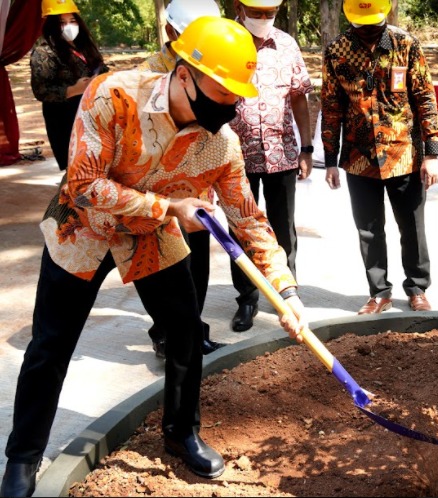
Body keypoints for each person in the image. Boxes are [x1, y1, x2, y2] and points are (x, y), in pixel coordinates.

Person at [0, 17, 307, 498]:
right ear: (185, 74)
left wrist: (286, 291)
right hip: (83, 228)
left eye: (236, 95)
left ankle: (181, 432)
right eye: (221, 90)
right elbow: (83, 186)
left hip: (149, 235)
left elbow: (249, 219)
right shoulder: (113, 96)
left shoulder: (220, 144)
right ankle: (22, 458)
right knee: (50, 346)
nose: (229, 105)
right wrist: (169, 207)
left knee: (185, 332)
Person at [321, 0, 438, 315]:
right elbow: (331, 106)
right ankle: (379, 292)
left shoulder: (406, 45)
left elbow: (425, 97)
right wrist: (329, 159)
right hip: (359, 159)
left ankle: (417, 288)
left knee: (412, 226)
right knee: (368, 229)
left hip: (405, 156)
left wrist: (432, 153)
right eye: (362, 23)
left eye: (373, 22)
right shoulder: (337, 51)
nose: (368, 29)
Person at [137, 0, 224, 358]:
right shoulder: (147, 74)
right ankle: (164, 334)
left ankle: (192, 331)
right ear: (171, 31)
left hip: (195, 188)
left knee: (196, 264)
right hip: (153, 194)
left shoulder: (214, 65)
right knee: (156, 268)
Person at [228, 0, 314, 332]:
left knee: (283, 229)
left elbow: (298, 97)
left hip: (281, 154)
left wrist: (306, 148)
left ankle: (286, 296)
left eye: (270, 13)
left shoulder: (287, 45)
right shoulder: (228, 42)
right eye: (257, 12)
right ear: (239, 6)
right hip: (235, 159)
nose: (263, 19)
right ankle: (247, 298)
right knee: (241, 229)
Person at [31, 0, 107, 171]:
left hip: (93, 113)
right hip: (64, 119)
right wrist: (73, 90)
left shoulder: (85, 47)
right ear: (51, 25)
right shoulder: (44, 52)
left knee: (98, 165)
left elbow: (103, 69)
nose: (69, 27)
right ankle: (73, 197)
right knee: (77, 169)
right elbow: (40, 90)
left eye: (72, 21)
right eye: (62, 23)